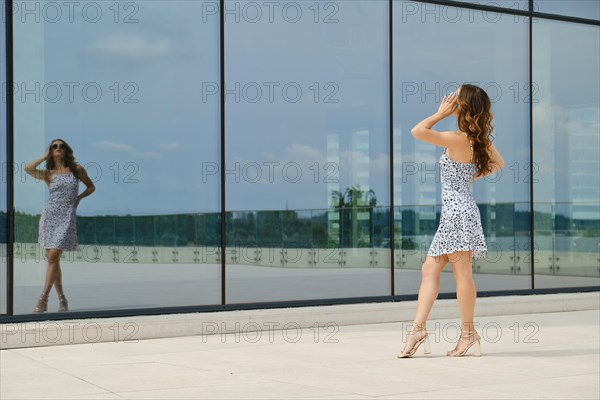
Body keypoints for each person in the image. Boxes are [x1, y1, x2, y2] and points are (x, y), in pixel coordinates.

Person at [398, 84, 504, 358]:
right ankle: (418, 330)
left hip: (457, 212)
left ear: (462, 106)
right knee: (429, 269)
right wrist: (468, 179)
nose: (451, 99)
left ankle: (468, 334)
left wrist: (439, 113)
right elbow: (497, 164)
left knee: (462, 273)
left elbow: (417, 131)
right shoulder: (479, 142)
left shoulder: (457, 138)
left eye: (455, 97)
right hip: (459, 210)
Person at [24, 139, 95, 313]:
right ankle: (62, 299)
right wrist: (45, 156)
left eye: (61, 146)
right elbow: (28, 168)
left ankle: (43, 299)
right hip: (49, 216)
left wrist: (78, 198)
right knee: (53, 260)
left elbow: (91, 187)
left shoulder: (76, 169)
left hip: (67, 216)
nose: (58, 148)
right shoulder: (49, 173)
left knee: (53, 257)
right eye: (54, 146)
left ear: (66, 150)